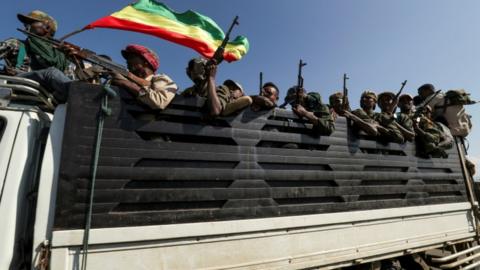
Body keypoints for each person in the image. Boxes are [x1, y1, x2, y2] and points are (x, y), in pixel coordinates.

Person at [15, 10, 73, 103]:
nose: (26, 26)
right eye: (26, 23)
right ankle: (81, 96)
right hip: (21, 81)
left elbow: (70, 74)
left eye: (31, 22)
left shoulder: (60, 52)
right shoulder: (17, 44)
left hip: (47, 92)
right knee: (51, 73)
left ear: (47, 27)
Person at [111, 44, 177, 110]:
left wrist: (127, 83)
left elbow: (159, 101)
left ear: (146, 62)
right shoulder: (127, 80)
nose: (127, 61)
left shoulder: (161, 78)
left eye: (132, 57)